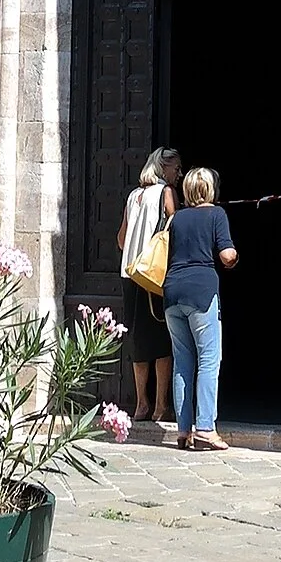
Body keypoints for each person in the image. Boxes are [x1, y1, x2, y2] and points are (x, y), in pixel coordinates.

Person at [161, 163, 237, 450]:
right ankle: (205, 427)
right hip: (201, 292)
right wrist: (235, 258)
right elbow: (227, 254)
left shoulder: (177, 219)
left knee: (182, 361)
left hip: (172, 292)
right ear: (210, 189)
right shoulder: (217, 214)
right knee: (208, 359)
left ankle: (183, 431)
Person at [118, 145, 179, 429]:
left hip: (130, 274)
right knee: (161, 339)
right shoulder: (165, 193)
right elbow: (173, 228)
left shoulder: (133, 196)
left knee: (138, 340)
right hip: (152, 274)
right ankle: (160, 406)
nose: (178, 174)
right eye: (175, 168)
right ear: (163, 168)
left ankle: (141, 403)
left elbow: (121, 239)